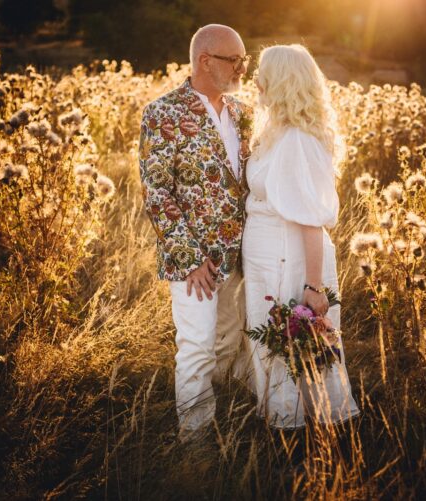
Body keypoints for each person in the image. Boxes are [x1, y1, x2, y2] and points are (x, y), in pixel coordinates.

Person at [138, 24, 253, 439]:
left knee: (234, 343)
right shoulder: (162, 113)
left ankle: (236, 420)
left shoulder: (243, 113)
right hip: (194, 264)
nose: (242, 68)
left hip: (242, 256)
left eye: (244, 59)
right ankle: (196, 444)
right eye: (234, 60)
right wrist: (189, 259)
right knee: (197, 349)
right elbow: (157, 192)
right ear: (205, 60)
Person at [241, 44, 360, 428]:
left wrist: (313, 285)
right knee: (278, 345)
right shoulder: (277, 132)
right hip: (269, 257)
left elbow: (310, 219)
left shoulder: (296, 139)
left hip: (287, 258)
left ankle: (293, 431)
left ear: (280, 81)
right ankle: (288, 421)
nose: (254, 79)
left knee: (292, 343)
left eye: (262, 72)